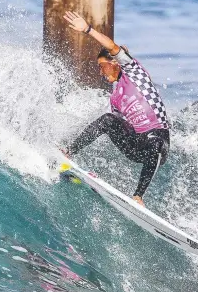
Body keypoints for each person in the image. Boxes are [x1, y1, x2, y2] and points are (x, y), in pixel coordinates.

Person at [61, 11, 170, 207]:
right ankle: (68, 152)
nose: (101, 73)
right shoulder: (115, 98)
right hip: (136, 145)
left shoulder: (134, 72)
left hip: (158, 142)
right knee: (108, 120)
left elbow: (111, 46)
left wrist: (87, 30)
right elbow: (119, 127)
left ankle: (138, 197)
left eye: (102, 67)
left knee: (155, 142)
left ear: (115, 64)